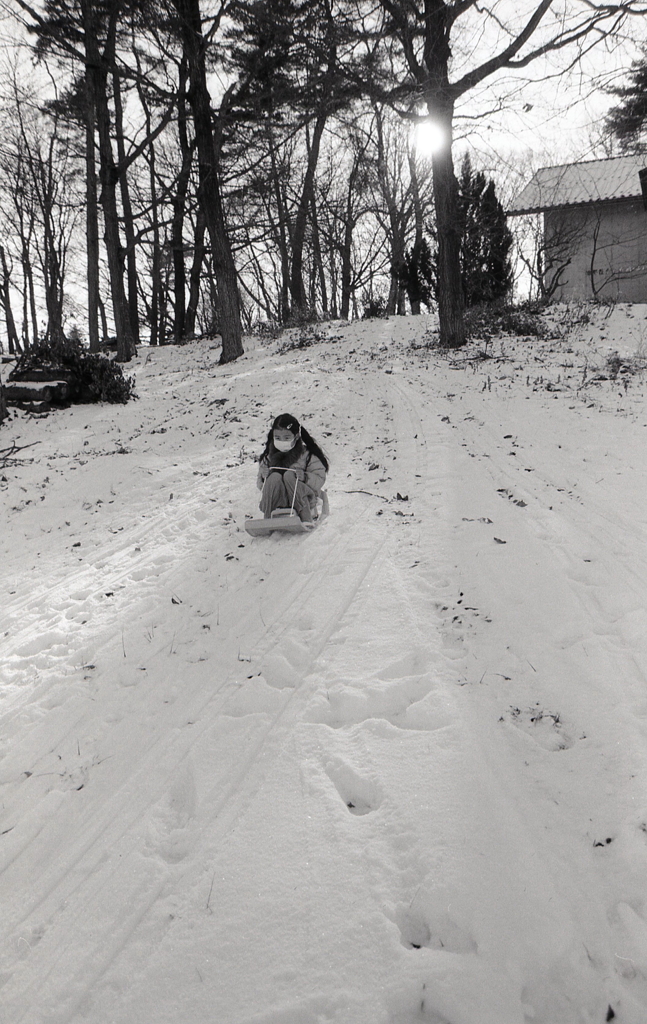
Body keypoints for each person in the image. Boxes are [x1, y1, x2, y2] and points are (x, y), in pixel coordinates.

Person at [256, 413, 329, 523]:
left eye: (286, 438)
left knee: (290, 475)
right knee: (274, 477)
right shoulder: (268, 458)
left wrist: (305, 477)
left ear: (296, 437)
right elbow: (261, 485)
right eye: (277, 438)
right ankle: (269, 518)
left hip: (304, 501)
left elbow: (319, 478)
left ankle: (306, 517)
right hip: (279, 501)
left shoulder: (307, 456)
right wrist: (263, 477)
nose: (282, 441)